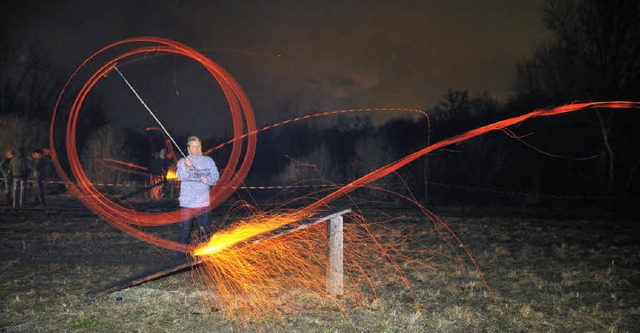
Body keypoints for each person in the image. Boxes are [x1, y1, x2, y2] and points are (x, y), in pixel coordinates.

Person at [176, 136, 219, 252]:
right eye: (193, 147)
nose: (196, 149)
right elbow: (180, 176)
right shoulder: (182, 162)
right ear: (188, 149)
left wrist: (208, 180)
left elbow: (216, 177)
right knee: (185, 230)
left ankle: (204, 256)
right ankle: (180, 259)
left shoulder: (208, 161)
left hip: (203, 203)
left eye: (198, 146)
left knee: (204, 231)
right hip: (187, 203)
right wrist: (186, 166)